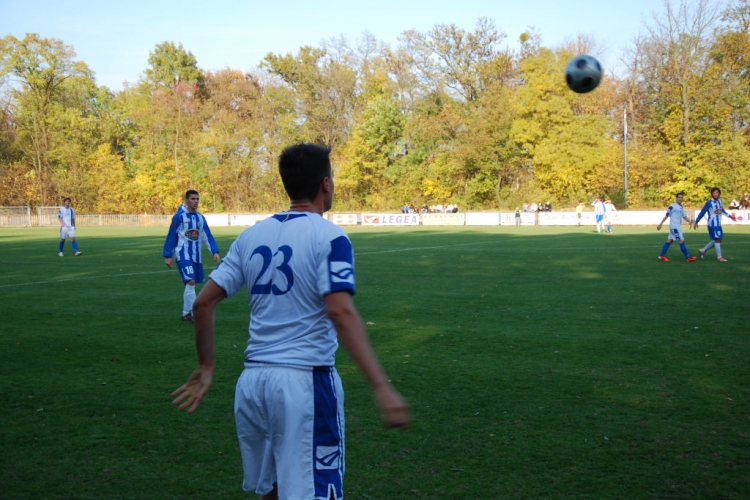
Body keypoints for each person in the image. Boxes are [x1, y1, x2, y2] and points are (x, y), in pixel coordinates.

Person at [171, 144, 409, 500]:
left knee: (274, 489)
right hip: (304, 383)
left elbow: (203, 304)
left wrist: (206, 366)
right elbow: (340, 310)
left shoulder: (252, 236)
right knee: (313, 492)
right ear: (325, 184)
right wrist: (380, 385)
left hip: (253, 383)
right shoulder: (330, 236)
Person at [163, 190, 221, 321]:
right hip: (182, 254)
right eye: (193, 199)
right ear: (186, 200)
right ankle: (196, 314)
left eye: (197, 199)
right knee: (191, 281)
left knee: (191, 284)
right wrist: (167, 255)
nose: (196, 201)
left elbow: (207, 235)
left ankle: (185, 313)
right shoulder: (179, 217)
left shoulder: (200, 218)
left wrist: (214, 251)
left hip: (196, 256)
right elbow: (171, 235)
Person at [694, 187, 737, 262]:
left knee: (718, 239)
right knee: (718, 239)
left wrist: (730, 216)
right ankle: (719, 257)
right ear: (712, 194)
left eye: (716, 193)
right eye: (714, 193)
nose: (715, 194)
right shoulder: (709, 202)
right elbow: (703, 212)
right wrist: (696, 221)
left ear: (719, 194)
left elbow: (722, 210)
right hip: (712, 224)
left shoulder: (720, 201)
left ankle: (703, 250)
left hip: (718, 224)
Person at [656, 192, 697, 262]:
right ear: (676, 198)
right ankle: (688, 257)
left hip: (676, 226)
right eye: (679, 197)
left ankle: (661, 256)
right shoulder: (672, 206)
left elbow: (684, 215)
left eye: (681, 197)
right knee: (682, 240)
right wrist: (660, 224)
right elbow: (667, 215)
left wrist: (689, 221)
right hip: (674, 227)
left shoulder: (681, 207)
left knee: (670, 240)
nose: (680, 199)